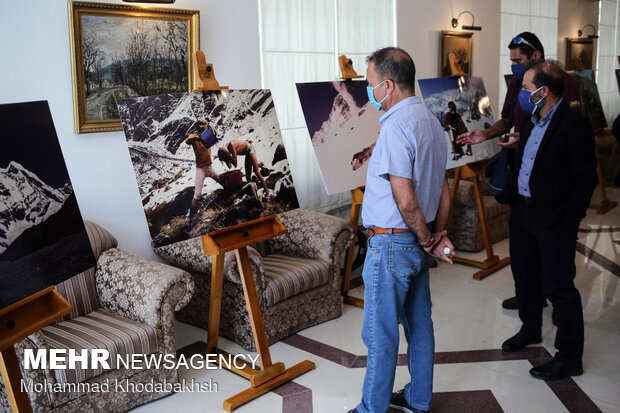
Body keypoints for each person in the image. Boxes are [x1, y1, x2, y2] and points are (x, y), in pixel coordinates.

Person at [348, 47, 454, 413]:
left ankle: (371, 409)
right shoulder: (432, 123)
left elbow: (405, 199)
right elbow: (443, 190)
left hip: (392, 245)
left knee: (380, 335)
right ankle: (419, 400)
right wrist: (436, 236)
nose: (369, 91)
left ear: (388, 85)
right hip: (418, 247)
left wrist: (428, 238)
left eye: (370, 84)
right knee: (420, 328)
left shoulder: (395, 127)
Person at [457, 32, 582, 312]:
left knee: (555, 252)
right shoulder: (517, 82)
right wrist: (485, 135)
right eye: (511, 60)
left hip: (551, 182)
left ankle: (560, 304)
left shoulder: (567, 84)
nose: (513, 66)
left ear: (536, 56)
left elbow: (571, 133)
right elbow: (507, 119)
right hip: (520, 174)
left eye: (518, 60)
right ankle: (529, 297)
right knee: (523, 248)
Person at [500, 60, 597, 380]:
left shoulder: (574, 124)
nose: (520, 95)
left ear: (543, 91)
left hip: (554, 218)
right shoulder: (529, 122)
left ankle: (570, 356)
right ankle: (530, 330)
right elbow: (527, 162)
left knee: (559, 288)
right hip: (523, 211)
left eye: (526, 89)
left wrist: (570, 220)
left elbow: (585, 179)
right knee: (524, 278)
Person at [185, 119, 221, 215]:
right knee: (197, 193)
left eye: (205, 125)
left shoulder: (207, 135)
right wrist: (195, 138)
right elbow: (187, 141)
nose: (203, 127)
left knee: (222, 181)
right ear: (198, 127)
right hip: (200, 169)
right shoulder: (194, 136)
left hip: (209, 167)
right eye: (202, 126)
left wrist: (208, 126)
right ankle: (192, 216)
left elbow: (215, 132)